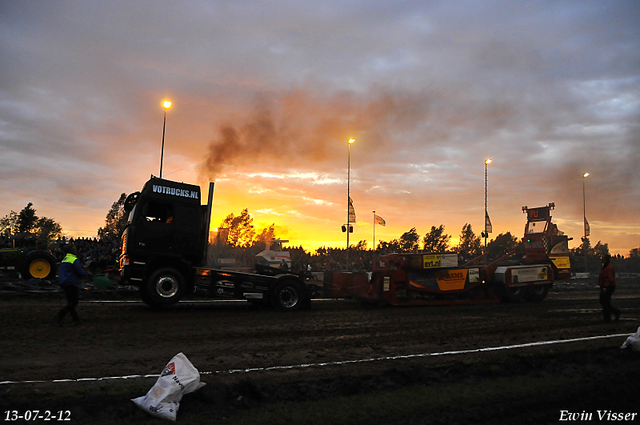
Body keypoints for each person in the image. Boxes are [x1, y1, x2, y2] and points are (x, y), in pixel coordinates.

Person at [56, 243, 90, 326]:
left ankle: (76, 319)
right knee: (74, 302)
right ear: (73, 250)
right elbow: (79, 271)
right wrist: (87, 273)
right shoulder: (74, 259)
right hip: (71, 282)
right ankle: (60, 315)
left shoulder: (65, 259)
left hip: (63, 282)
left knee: (70, 302)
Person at [598, 254, 620, 323]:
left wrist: (605, 286)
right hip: (606, 286)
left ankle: (613, 314)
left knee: (604, 302)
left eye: (602, 258)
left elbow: (609, 279)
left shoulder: (608, 268)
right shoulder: (606, 267)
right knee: (604, 302)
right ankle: (608, 317)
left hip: (608, 287)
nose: (601, 259)